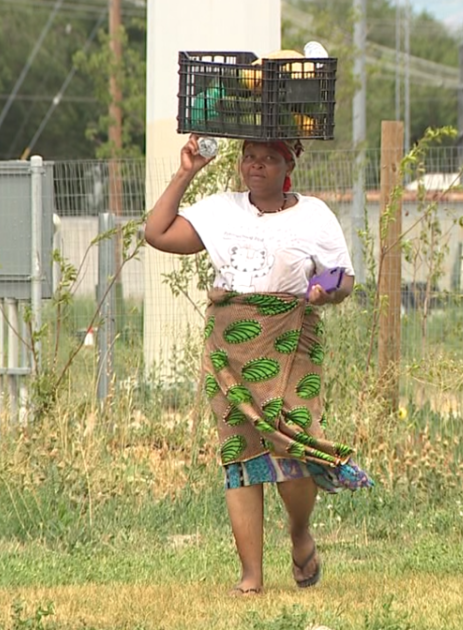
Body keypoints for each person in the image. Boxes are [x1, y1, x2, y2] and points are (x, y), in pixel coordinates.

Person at [144, 134, 373, 595]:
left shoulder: (313, 216)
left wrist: (326, 290)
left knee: (293, 446)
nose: (256, 166)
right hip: (232, 346)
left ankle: (299, 533)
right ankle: (251, 578)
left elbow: (342, 277)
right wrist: (187, 171)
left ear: (288, 166)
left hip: (292, 341)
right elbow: (157, 233)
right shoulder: (221, 209)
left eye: (269, 159)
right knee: (240, 457)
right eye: (250, 157)